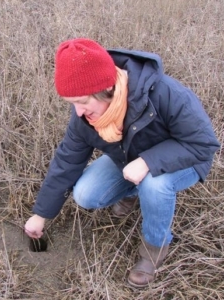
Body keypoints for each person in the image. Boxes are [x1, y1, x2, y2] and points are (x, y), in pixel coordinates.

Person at [25, 38, 219, 287]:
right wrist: (41, 215)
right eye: (72, 104)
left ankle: (154, 249)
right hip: (129, 160)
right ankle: (134, 190)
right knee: (85, 194)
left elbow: (203, 144)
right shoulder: (84, 117)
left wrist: (148, 161)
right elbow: (67, 161)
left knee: (154, 185)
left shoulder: (165, 93)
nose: (78, 112)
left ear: (107, 89)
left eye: (83, 102)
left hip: (185, 158)